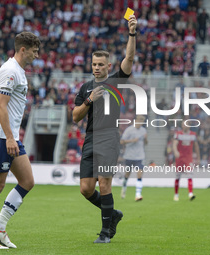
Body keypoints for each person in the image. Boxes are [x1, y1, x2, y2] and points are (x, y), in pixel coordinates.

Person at [72, 15, 137, 243]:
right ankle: (113, 215)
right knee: (86, 189)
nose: (97, 68)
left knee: (105, 182)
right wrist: (88, 100)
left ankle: (105, 232)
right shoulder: (86, 88)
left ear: (109, 66)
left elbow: (129, 57)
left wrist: (131, 33)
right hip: (90, 138)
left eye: (101, 65)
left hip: (109, 137)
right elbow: (75, 117)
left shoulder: (116, 82)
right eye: (94, 64)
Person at [0, 32, 40, 249]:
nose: (36, 55)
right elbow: (1, 106)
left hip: (10, 137)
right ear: (23, 49)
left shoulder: (19, 71)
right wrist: (10, 138)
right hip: (2, 137)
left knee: (27, 181)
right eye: (34, 50)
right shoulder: (10, 71)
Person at [120, 115, 148, 201]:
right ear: (135, 120)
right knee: (127, 174)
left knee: (139, 174)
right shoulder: (129, 130)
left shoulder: (143, 130)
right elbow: (122, 141)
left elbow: (145, 143)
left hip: (140, 156)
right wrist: (132, 140)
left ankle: (138, 194)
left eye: (143, 120)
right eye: (140, 119)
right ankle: (124, 189)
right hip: (129, 156)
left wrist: (146, 139)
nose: (141, 121)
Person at [172, 120, 200, 201]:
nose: (184, 126)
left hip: (188, 158)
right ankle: (176, 195)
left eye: (185, 125)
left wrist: (198, 158)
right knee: (178, 176)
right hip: (180, 158)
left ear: (189, 126)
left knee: (189, 175)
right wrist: (176, 151)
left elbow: (196, 147)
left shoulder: (193, 135)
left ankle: (190, 194)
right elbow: (174, 144)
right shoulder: (178, 134)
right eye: (183, 125)